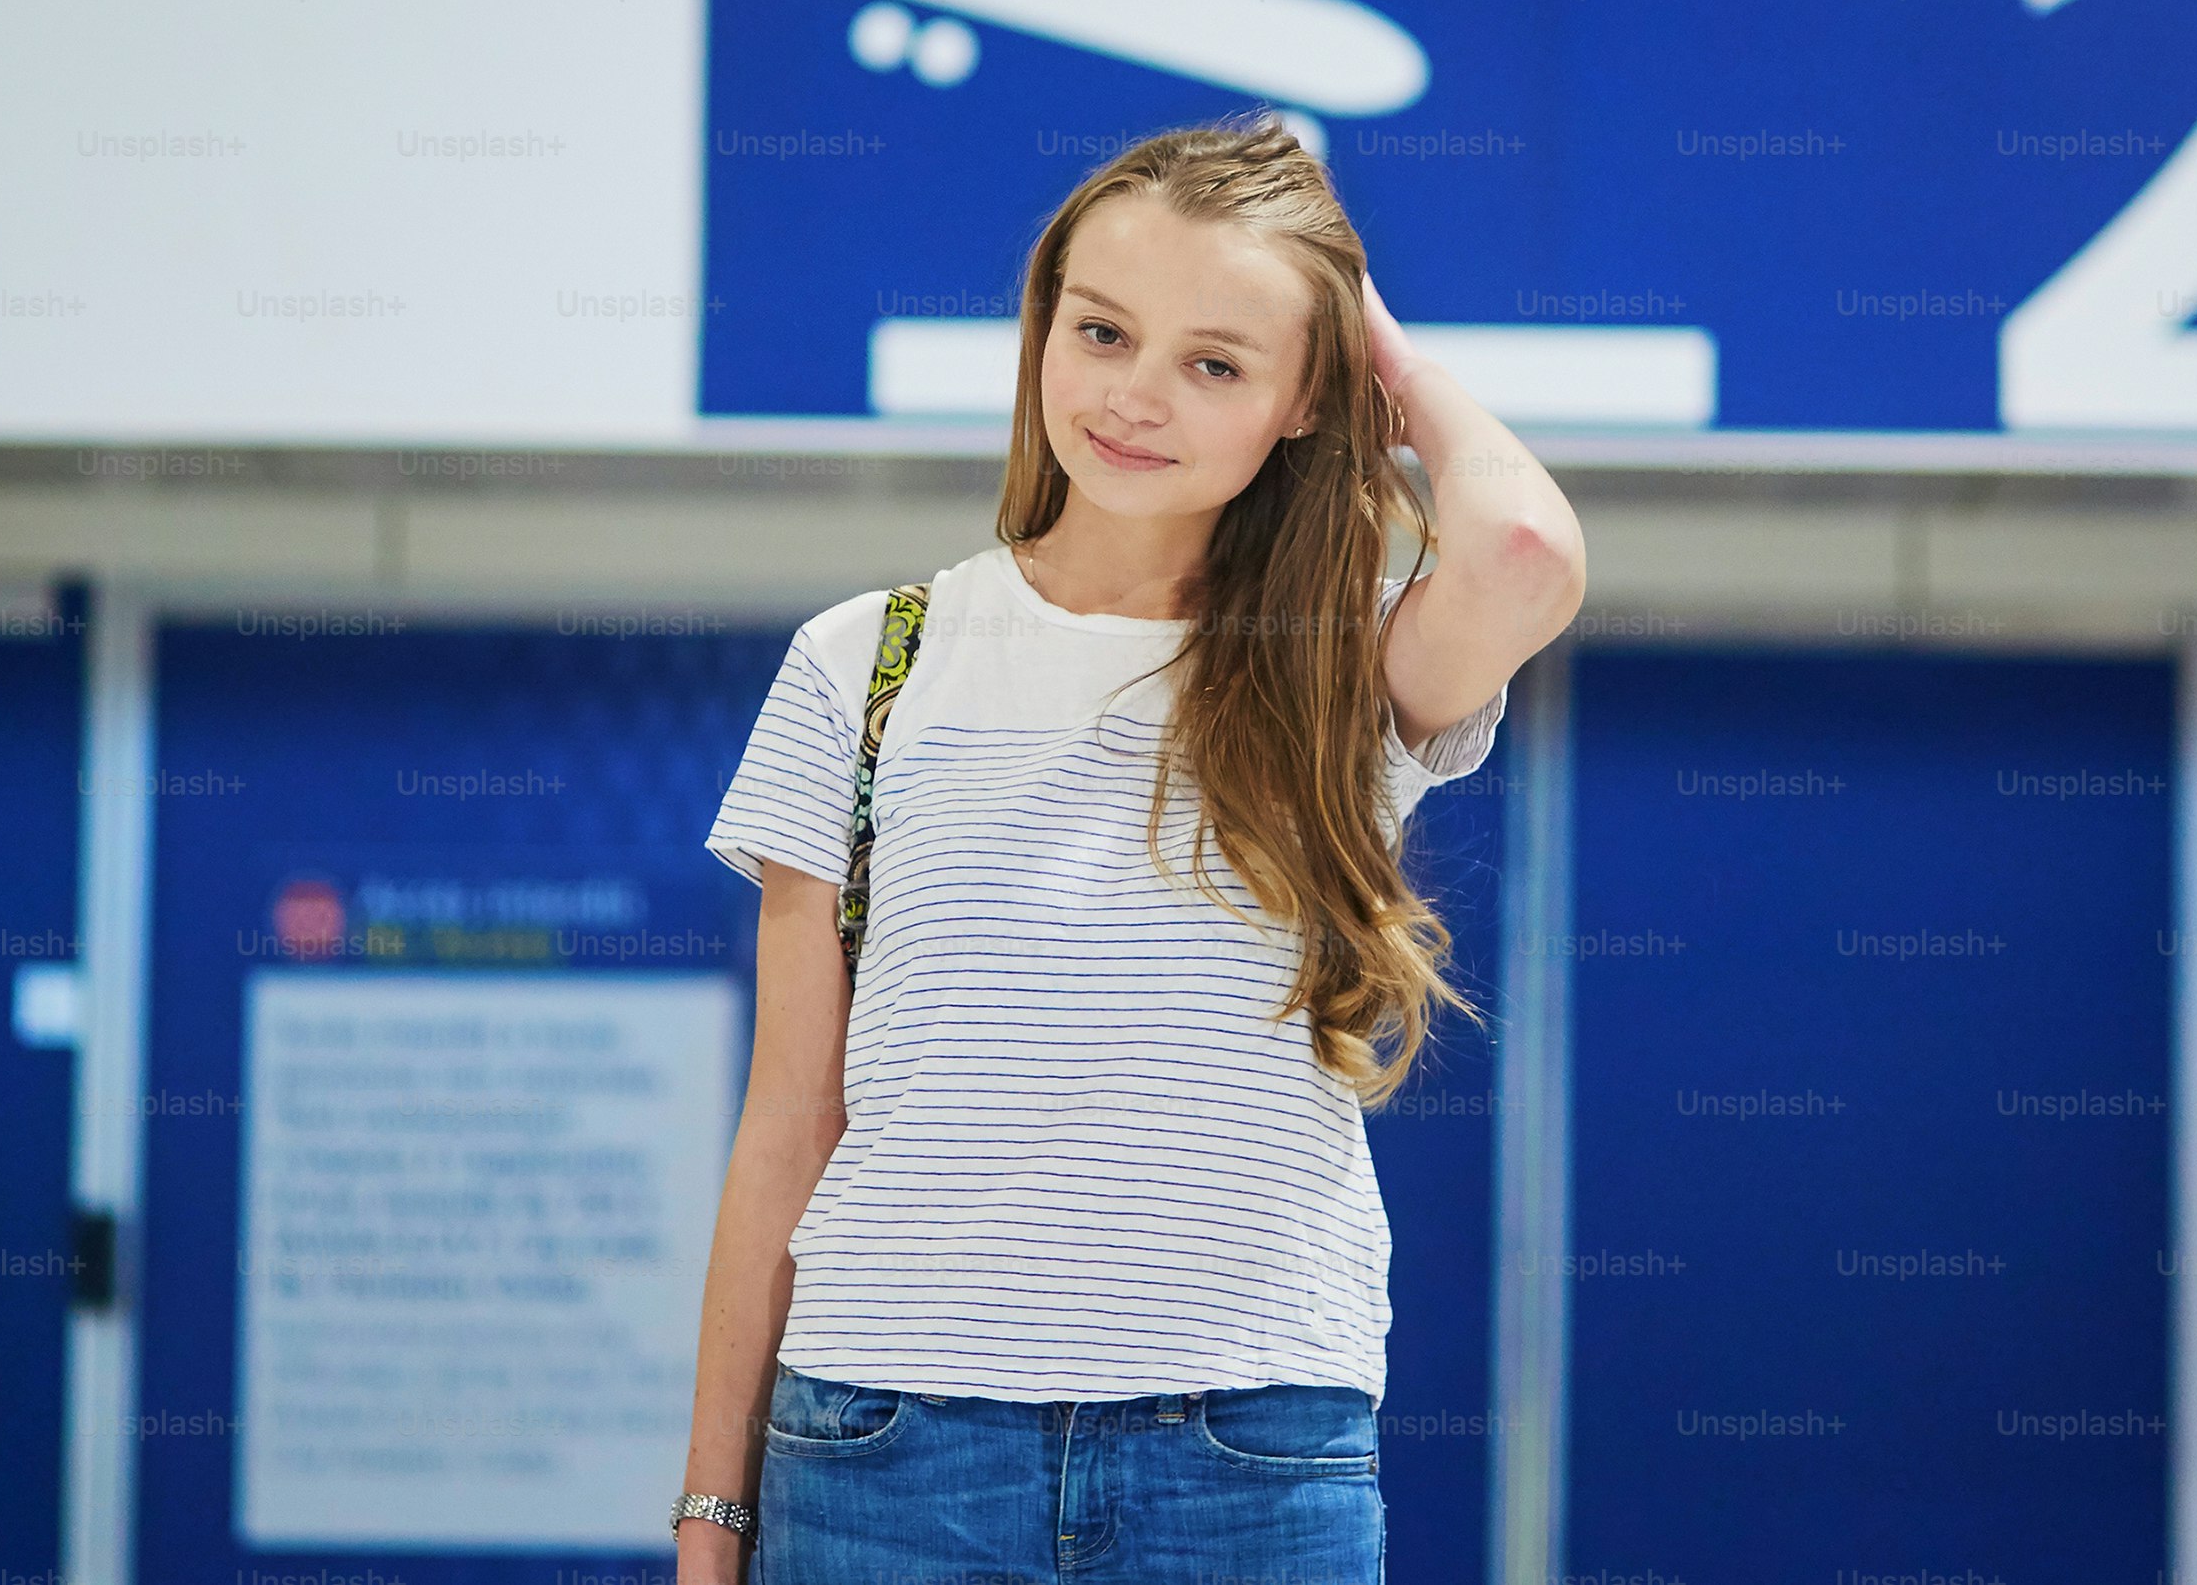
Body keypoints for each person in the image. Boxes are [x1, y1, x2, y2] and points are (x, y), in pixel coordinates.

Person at [673, 118, 1587, 1584]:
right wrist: (712, 1515)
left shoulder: (1340, 666)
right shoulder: (867, 663)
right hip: (887, 1441)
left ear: (1308, 398)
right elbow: (789, 1121)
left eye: (1217, 362)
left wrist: (1385, 354)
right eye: (1102, 330)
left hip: (1248, 1446)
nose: (1135, 396)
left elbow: (1524, 554)